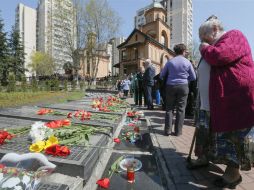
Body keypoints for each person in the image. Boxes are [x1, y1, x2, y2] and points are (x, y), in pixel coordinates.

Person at [188, 16, 254, 189]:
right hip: (209, 102)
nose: (202, 41)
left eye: (204, 37)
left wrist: (204, 48)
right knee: (209, 135)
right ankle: (205, 158)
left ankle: (233, 174)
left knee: (234, 138)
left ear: (215, 29)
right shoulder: (214, 44)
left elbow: (220, 56)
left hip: (235, 100)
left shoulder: (234, 35)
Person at [160, 43, 196, 136]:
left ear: (175, 52)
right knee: (181, 109)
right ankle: (178, 132)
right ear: (184, 51)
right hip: (183, 86)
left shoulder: (170, 62)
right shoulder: (187, 62)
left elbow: (162, 75)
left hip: (170, 86)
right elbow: (193, 77)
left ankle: (167, 130)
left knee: (169, 109)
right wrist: (185, 78)